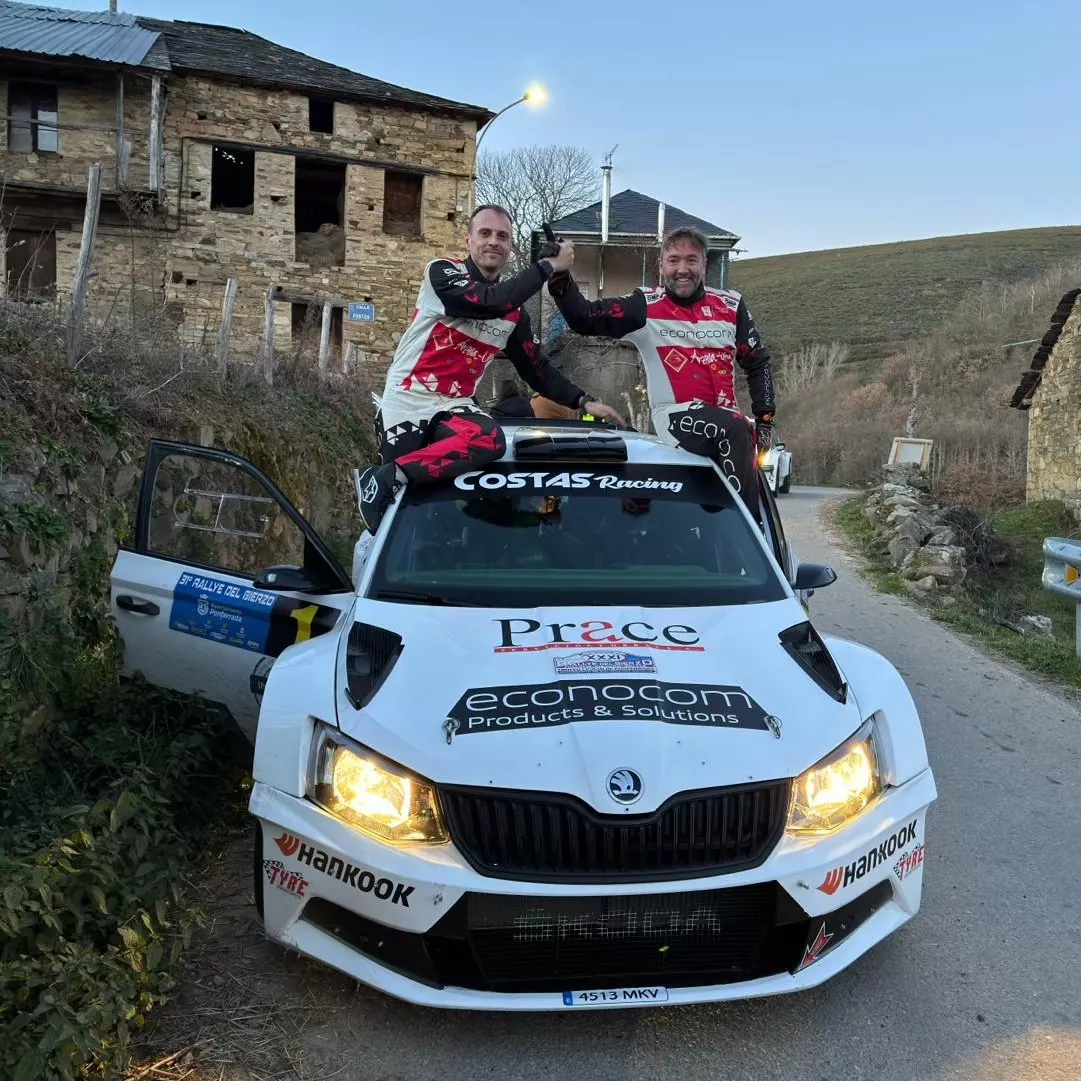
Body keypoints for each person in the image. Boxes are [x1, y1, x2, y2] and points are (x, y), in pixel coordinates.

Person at [355, 204, 624, 532]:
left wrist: (583, 401)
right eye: (485, 233)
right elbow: (487, 301)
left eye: (502, 236)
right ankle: (380, 485)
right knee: (397, 511)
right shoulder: (441, 272)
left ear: (510, 247)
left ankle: (396, 481)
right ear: (468, 241)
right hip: (408, 399)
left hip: (455, 405)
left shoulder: (514, 314)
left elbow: (536, 369)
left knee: (490, 440)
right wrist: (547, 266)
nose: (494, 241)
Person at [547, 225, 775, 517]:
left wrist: (765, 421)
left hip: (729, 426)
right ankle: (749, 533)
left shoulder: (731, 305)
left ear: (704, 264)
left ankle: (729, 526)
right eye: (674, 260)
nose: (683, 269)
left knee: (739, 435)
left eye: (691, 260)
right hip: (675, 415)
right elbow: (584, 317)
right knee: (736, 428)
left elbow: (758, 362)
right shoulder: (645, 305)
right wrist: (559, 274)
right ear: (661, 266)